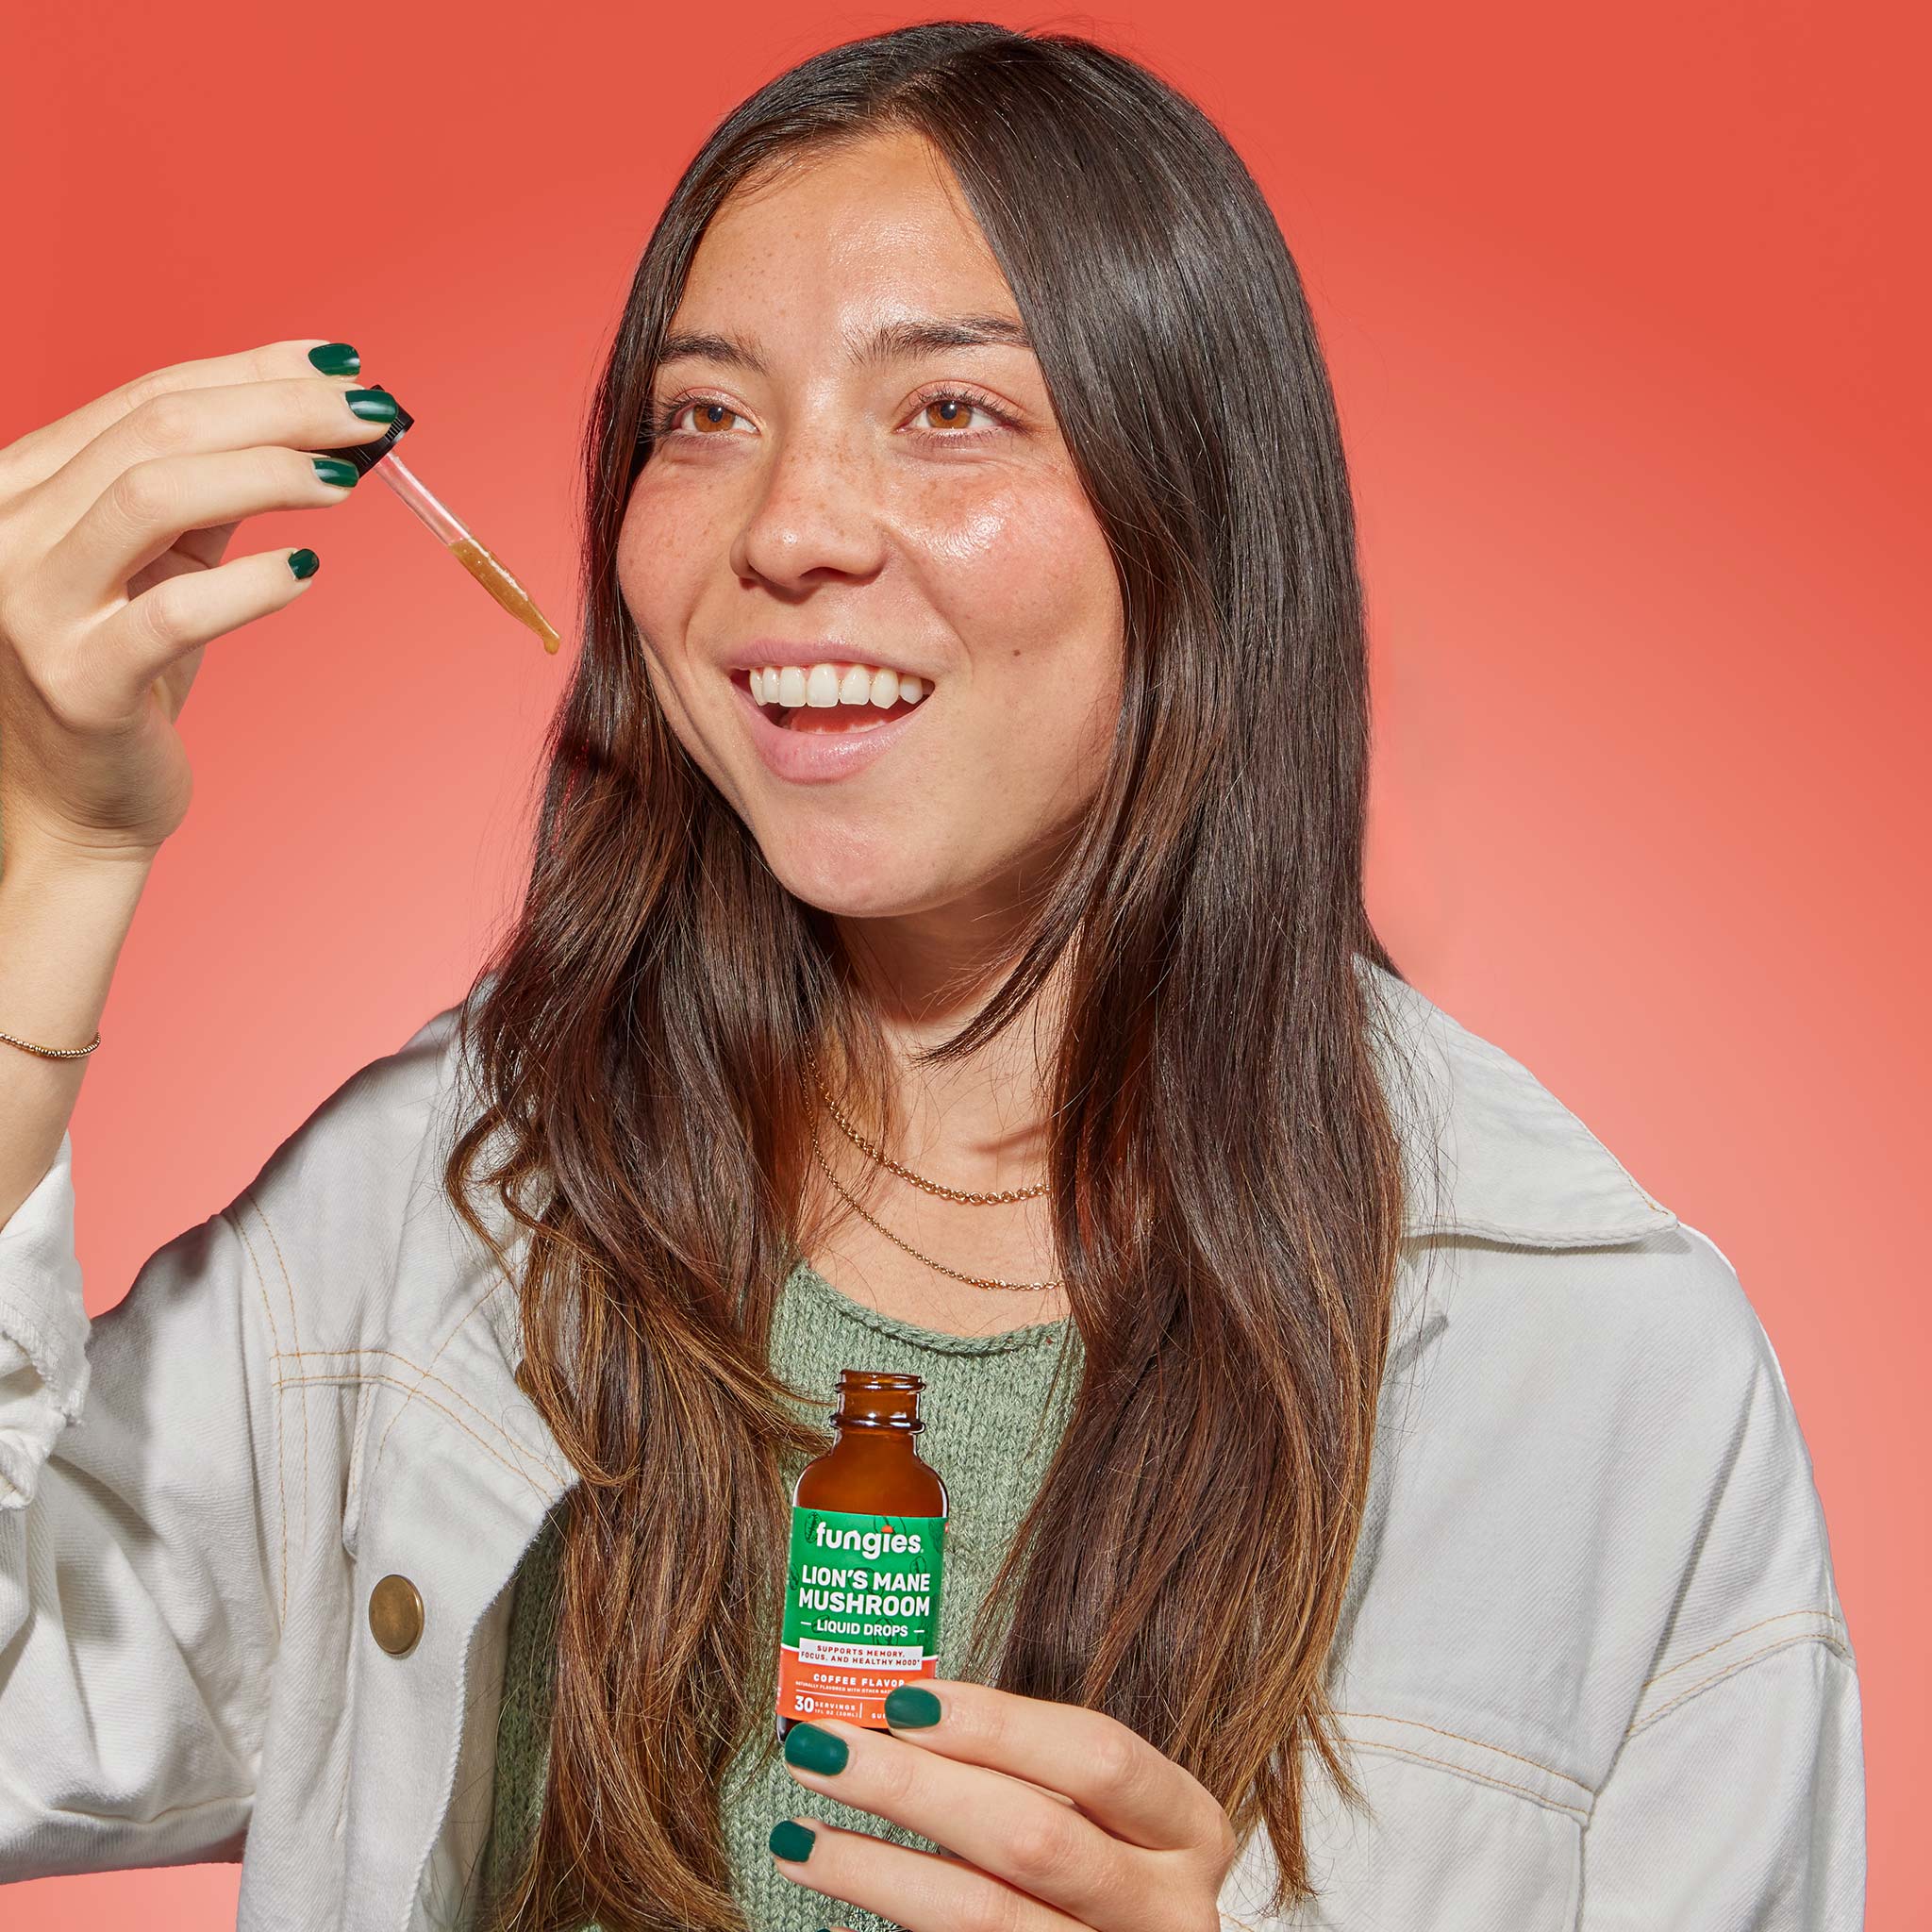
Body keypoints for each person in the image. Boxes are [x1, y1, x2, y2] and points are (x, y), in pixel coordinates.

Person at [0, 21, 1863, 1932]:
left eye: (952, 411)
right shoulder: (445, 1200)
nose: (787, 529)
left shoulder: (1602, 1365)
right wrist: (40, 863)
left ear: (1198, 518)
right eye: (702, 417)